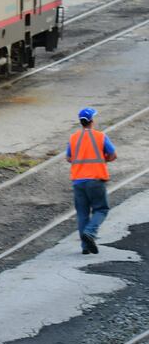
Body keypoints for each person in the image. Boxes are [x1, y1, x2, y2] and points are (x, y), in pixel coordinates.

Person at [67, 107, 117, 254]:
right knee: (101, 209)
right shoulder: (100, 136)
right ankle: (90, 232)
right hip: (96, 179)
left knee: (82, 213)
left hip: (78, 181)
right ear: (92, 121)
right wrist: (103, 160)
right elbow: (113, 155)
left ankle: (85, 247)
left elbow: (69, 157)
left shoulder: (74, 137)